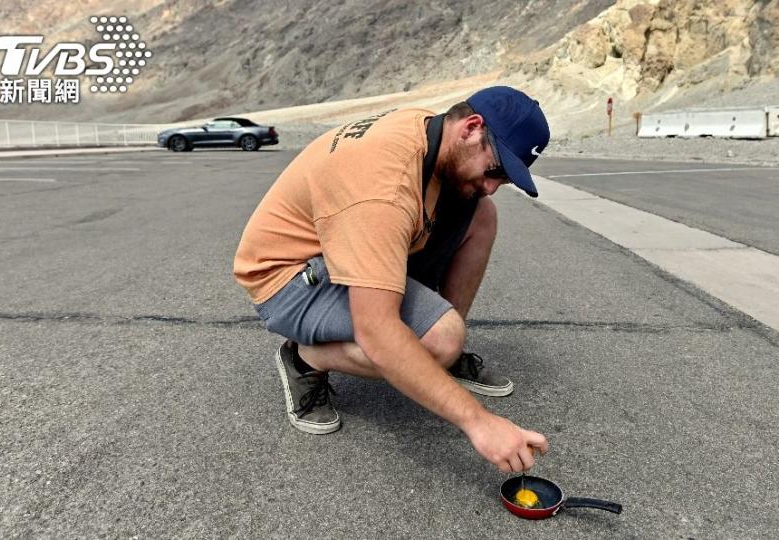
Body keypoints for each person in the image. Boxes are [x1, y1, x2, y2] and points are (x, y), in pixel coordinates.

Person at [233, 86, 550, 473]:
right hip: (288, 278)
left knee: (480, 213)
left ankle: (440, 359)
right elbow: (377, 331)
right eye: (495, 170)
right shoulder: (382, 189)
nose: (491, 186)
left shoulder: (428, 128)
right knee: (440, 340)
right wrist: (479, 421)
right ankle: (303, 357)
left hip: (341, 244)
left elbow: (466, 197)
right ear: (470, 127)